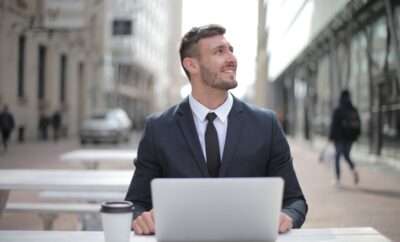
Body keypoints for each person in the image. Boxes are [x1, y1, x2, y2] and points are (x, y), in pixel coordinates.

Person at [125, 24, 307, 235]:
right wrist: (142, 218)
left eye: (231, 50)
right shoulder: (158, 129)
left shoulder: (266, 125)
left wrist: (287, 216)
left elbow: (295, 201)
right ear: (191, 65)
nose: (231, 58)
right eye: (220, 51)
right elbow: (135, 204)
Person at [329, 90, 360, 186]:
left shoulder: (338, 110)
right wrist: (356, 136)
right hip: (350, 138)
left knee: (337, 157)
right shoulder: (353, 109)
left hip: (339, 138)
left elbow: (333, 125)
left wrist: (331, 137)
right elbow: (358, 124)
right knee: (346, 155)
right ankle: (354, 169)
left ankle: (337, 179)